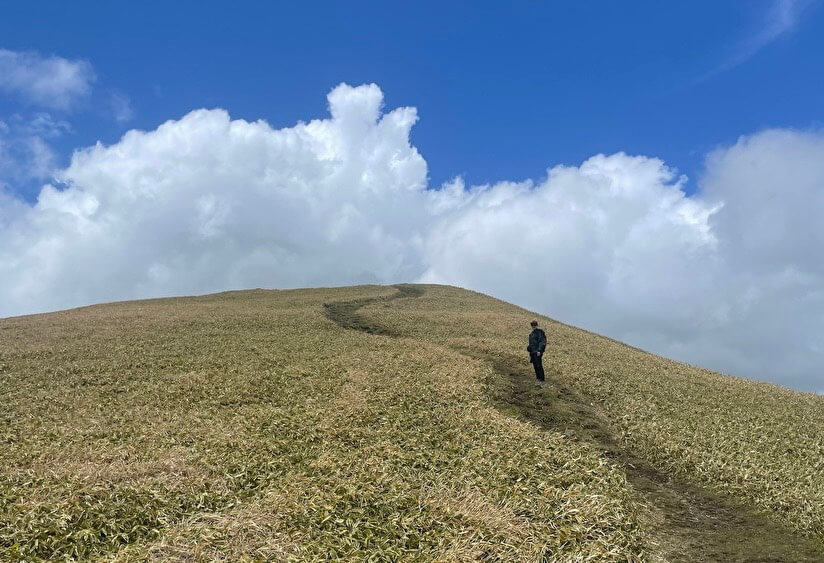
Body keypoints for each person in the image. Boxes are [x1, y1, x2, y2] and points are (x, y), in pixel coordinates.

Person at [527, 320, 547, 386]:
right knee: (535, 366)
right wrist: (529, 348)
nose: (533, 326)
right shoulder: (531, 334)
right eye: (532, 325)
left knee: (539, 366)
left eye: (534, 325)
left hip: (537, 352)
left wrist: (540, 350)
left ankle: (542, 380)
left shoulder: (540, 332)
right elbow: (531, 344)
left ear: (537, 325)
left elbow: (542, 341)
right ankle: (538, 379)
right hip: (532, 352)